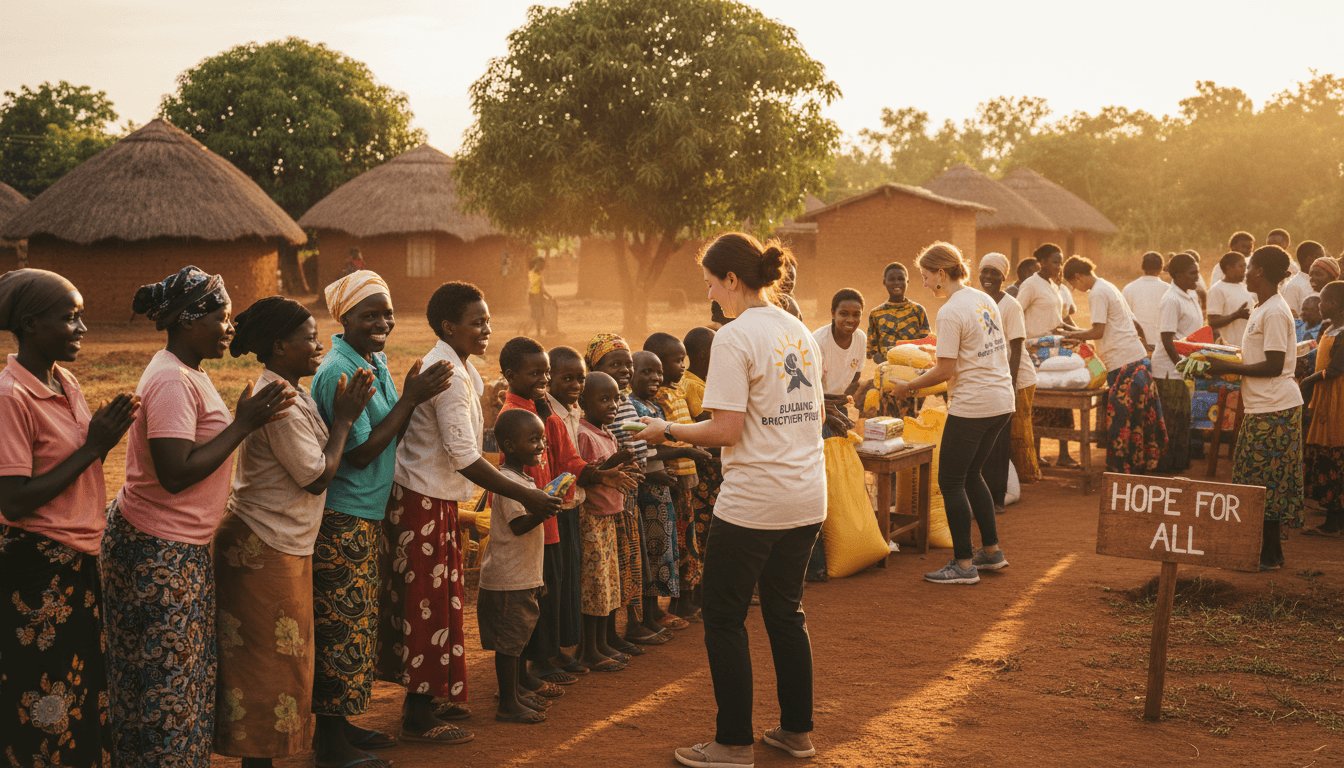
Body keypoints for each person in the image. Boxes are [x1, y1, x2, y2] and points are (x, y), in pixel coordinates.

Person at [637, 232, 825, 767]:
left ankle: (733, 742)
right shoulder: (797, 328)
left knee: (723, 617)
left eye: (711, 282)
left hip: (756, 501)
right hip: (807, 495)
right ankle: (796, 732)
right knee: (787, 613)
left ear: (733, 281)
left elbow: (725, 430)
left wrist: (666, 429)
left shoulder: (735, 337)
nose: (710, 292)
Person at [104, 267, 295, 765]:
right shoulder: (169, 378)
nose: (229, 328)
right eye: (221, 317)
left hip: (177, 548)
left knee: (181, 677)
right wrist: (245, 424)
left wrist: (241, 422)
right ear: (189, 321)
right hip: (156, 551)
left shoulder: (189, 372)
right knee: (165, 682)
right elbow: (174, 472)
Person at [389, 282, 562, 737]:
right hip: (422, 499)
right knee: (427, 604)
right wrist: (526, 494)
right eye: (477, 322)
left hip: (436, 498)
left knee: (439, 603)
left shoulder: (461, 369)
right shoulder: (445, 371)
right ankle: (418, 715)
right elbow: (465, 456)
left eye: (487, 320)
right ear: (449, 326)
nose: (487, 329)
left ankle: (427, 700)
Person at [215, 297, 375, 765]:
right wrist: (345, 418)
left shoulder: (289, 390)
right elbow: (317, 475)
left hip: (278, 542)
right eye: (308, 337)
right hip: (262, 544)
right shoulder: (280, 401)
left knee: (282, 662)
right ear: (279, 345)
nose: (318, 344)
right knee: (265, 666)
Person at [311, 270, 453, 767]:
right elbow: (362, 452)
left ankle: (341, 726)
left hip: (368, 511)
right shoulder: (338, 372)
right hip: (343, 514)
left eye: (386, 312)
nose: (382, 322)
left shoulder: (372, 360)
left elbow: (392, 422)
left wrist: (412, 392)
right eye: (369, 314)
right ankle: (328, 744)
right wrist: (412, 396)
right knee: (339, 626)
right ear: (344, 317)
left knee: (355, 623)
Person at [0, 269, 138, 767]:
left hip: (77, 560)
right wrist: (95, 446)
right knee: (43, 701)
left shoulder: (64, 380)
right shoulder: (10, 397)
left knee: (80, 690)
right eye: (70, 318)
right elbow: (14, 500)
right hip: (37, 571)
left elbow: (73, 472)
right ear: (32, 324)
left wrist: (96, 445)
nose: (82, 328)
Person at [499, 337, 638, 689]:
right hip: (536, 514)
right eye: (537, 373)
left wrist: (599, 472)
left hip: (553, 513)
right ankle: (536, 664)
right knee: (537, 592)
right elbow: (529, 469)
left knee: (554, 588)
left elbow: (567, 461)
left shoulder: (542, 410)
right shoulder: (517, 415)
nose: (544, 380)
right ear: (511, 375)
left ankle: (549, 655)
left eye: (546, 373)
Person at [888, 243, 1014, 584]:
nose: (925, 283)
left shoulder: (949, 311)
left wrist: (907, 386)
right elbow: (975, 349)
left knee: (951, 480)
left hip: (974, 405)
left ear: (942, 273)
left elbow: (944, 371)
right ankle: (990, 553)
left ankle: (962, 565)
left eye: (926, 276)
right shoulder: (983, 299)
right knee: (973, 475)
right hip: (1002, 401)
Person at [1207, 246, 1303, 570]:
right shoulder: (1263, 307)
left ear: (1260, 271)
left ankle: (1267, 555)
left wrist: (1226, 369)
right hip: (1264, 406)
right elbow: (1259, 357)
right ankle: (1271, 553)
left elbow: (1275, 365)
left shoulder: (1274, 311)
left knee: (1265, 483)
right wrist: (1229, 361)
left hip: (1275, 408)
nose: (1245, 272)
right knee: (1262, 481)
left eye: (1249, 267)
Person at [478, 408, 560, 725]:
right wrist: (543, 510)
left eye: (542, 439)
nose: (541, 445)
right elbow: (518, 526)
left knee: (518, 641)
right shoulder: (508, 482)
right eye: (534, 439)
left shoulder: (522, 479)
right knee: (510, 645)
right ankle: (508, 703)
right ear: (510, 446)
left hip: (521, 577)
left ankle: (514, 693)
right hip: (507, 580)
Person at [586, 333, 666, 649]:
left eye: (627, 363)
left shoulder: (622, 403)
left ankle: (628, 627)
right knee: (621, 563)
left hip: (629, 492)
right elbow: (611, 454)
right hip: (615, 494)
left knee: (631, 561)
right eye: (614, 363)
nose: (624, 369)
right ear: (595, 366)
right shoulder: (601, 409)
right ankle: (625, 627)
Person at [630, 350, 712, 630]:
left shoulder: (655, 406)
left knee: (669, 549)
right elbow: (644, 450)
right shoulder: (636, 408)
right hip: (651, 491)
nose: (655, 378)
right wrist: (688, 449)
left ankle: (658, 611)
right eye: (646, 371)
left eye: (657, 372)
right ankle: (648, 615)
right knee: (652, 553)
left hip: (668, 488)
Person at [1063, 256, 1166, 474]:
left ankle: (1122, 473)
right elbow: (1134, 323)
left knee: (1122, 423)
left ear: (1078, 276)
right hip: (1137, 359)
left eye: (1073, 284)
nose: (1075, 288)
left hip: (1123, 364)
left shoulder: (1097, 292)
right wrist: (1144, 346)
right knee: (1138, 419)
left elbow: (1098, 331)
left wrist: (1072, 336)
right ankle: (1140, 468)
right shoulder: (1109, 286)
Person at [574, 371, 637, 670]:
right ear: (584, 401)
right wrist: (614, 464)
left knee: (608, 585)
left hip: (608, 519)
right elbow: (585, 475)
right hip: (591, 520)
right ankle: (588, 650)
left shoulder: (606, 432)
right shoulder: (584, 434)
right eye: (604, 399)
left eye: (616, 399)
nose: (613, 405)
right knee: (594, 587)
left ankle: (601, 645)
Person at [645, 332, 706, 619]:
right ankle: (677, 602)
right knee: (677, 543)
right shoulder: (657, 398)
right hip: (672, 477)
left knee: (687, 540)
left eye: (684, 360)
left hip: (687, 478)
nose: (682, 365)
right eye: (675, 360)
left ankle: (687, 599)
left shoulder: (678, 390)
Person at [977, 253, 1032, 509]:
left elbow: (1017, 348)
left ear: (1003, 277)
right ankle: (984, 492)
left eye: (994, 273)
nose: (988, 277)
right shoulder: (979, 302)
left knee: (1001, 439)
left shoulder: (1011, 305)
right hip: (986, 378)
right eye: (985, 271)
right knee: (984, 439)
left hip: (1007, 378)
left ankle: (998, 497)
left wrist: (1009, 383)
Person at [1018, 244, 1077, 467]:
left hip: (1056, 348)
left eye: (1061, 262)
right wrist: (1026, 343)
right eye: (1055, 262)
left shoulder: (1054, 286)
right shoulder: (1031, 285)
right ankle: (1035, 455)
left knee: (1065, 399)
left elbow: (1058, 319)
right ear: (1042, 262)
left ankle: (1063, 454)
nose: (1059, 266)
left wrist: (1077, 334)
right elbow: (1017, 312)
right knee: (1040, 404)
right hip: (1036, 351)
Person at [1152, 254, 1204, 473]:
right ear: (1179, 275)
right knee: (1173, 421)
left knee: (1183, 418)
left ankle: (1178, 465)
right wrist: (1181, 366)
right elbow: (1167, 337)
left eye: (1197, 271)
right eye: (1193, 273)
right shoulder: (1171, 299)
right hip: (1170, 369)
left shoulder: (1189, 295)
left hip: (1184, 367)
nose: (1197, 276)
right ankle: (1167, 469)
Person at [1301, 281, 1344, 536]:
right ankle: (1334, 520)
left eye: (1323, 301)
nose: (1319, 305)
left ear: (1335, 304)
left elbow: (1337, 368)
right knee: (1327, 450)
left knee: (1335, 449)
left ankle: (1332, 523)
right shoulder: (1329, 328)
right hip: (1327, 395)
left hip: (1337, 396)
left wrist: (1310, 380)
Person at [866, 261, 930, 418]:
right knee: (887, 419)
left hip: (912, 377)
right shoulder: (876, 314)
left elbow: (928, 346)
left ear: (907, 281)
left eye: (901, 279)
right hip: (887, 377)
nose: (896, 283)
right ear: (884, 282)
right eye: (892, 279)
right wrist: (883, 359)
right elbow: (871, 350)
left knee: (909, 418)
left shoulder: (918, 311)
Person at [813, 288, 866, 402]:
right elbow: (811, 383)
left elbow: (856, 373)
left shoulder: (860, 338)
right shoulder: (818, 340)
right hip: (818, 401)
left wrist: (845, 397)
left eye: (856, 315)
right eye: (843, 314)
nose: (850, 320)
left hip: (840, 400)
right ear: (833, 313)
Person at [1122, 252, 1169, 345]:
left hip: (1137, 344)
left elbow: (1123, 319)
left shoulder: (1129, 288)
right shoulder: (1168, 290)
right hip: (1162, 344)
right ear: (1161, 268)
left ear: (1142, 268)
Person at [1208, 252, 1253, 346]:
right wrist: (1235, 315)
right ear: (1229, 268)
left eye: (1246, 267)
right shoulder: (1217, 290)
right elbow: (1212, 322)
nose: (1245, 270)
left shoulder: (1244, 287)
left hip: (1247, 346)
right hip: (1230, 348)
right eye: (1241, 267)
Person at [1284, 242, 1326, 316]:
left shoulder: (1325, 281)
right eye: (1321, 259)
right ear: (1309, 260)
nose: (1325, 262)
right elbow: (1293, 318)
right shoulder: (1293, 285)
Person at [527, 258, 552, 336]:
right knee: (539, 315)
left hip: (532, 297)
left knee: (535, 315)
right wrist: (548, 296)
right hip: (537, 298)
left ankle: (530, 330)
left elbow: (532, 287)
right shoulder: (538, 276)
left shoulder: (530, 273)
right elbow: (541, 288)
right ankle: (538, 332)